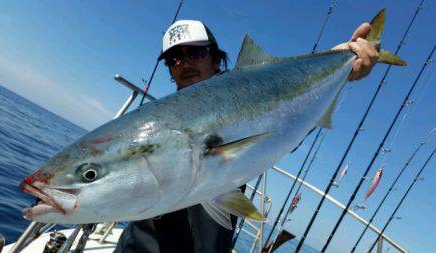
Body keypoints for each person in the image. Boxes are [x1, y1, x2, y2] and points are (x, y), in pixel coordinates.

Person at [114, 19, 378, 253]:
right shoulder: (154, 124)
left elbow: (283, 126)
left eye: (195, 53)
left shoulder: (249, 97)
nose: (183, 65)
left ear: (215, 59)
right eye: (174, 59)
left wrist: (341, 60)